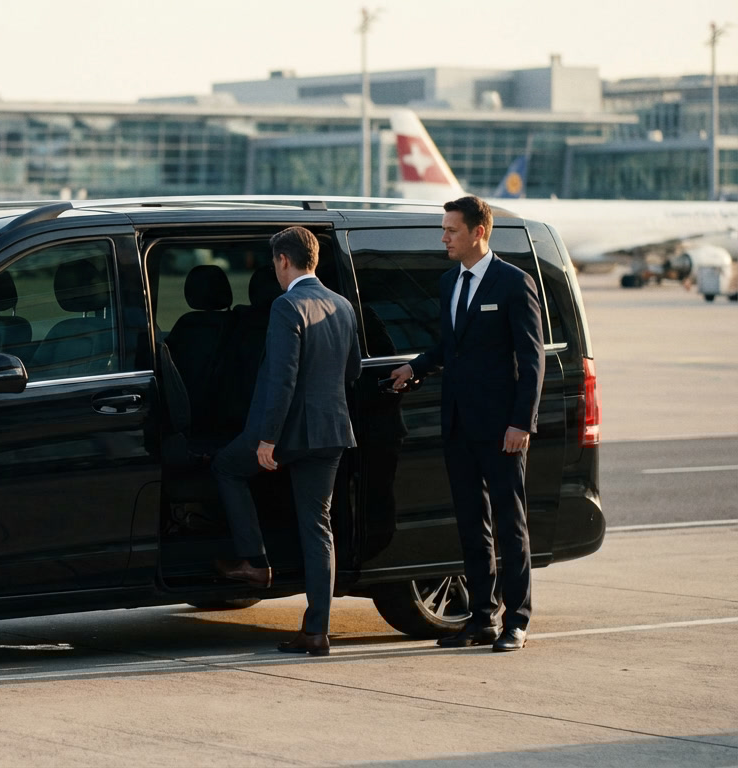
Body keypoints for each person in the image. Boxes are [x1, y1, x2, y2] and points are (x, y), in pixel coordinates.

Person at [389, 196, 545, 653]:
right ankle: (482, 617)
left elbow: (532, 360)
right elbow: (450, 345)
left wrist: (522, 422)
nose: (443, 238)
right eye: (443, 230)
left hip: (502, 429)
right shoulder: (448, 282)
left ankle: (517, 619)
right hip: (457, 422)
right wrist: (415, 367)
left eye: (451, 230)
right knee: (471, 525)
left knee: (510, 526)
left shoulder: (514, 283)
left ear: (478, 232)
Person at [211, 226, 361, 656]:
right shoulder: (343, 305)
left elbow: (282, 379)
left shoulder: (286, 306)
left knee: (225, 467)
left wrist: (267, 439)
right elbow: (351, 373)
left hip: (288, 433)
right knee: (318, 528)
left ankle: (255, 563)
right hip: (332, 430)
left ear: (283, 261)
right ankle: (317, 631)